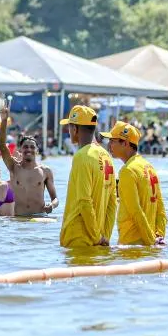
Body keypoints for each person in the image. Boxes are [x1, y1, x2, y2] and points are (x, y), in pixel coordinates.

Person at [58, 105, 115, 249]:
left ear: (75, 129)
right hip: (99, 238)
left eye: (69, 127)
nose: (68, 131)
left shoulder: (81, 156)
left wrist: (95, 237)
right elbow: (112, 202)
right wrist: (104, 237)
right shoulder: (106, 156)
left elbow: (84, 201)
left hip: (78, 237)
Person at [104, 120, 168, 247]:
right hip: (147, 244)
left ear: (126, 143)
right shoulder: (149, 167)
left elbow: (135, 211)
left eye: (113, 141)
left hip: (131, 246)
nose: (109, 145)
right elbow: (161, 210)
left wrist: (151, 241)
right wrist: (158, 237)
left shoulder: (127, 171)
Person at [0, 105, 58, 216]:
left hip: (39, 218)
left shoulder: (46, 171)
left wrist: (52, 205)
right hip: (18, 219)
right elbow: (2, 146)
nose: (28, 149)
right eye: (25, 147)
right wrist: (4, 121)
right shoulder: (14, 167)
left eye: (32, 147)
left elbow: (55, 199)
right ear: (20, 150)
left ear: (37, 150)